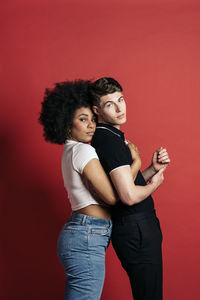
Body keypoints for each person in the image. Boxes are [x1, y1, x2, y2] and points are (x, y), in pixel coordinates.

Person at [38, 79, 141, 300]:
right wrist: (137, 163)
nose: (91, 125)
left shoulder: (70, 151)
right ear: (67, 124)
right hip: (87, 235)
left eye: (93, 119)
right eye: (83, 120)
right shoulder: (83, 152)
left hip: (82, 233)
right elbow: (114, 197)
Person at [89, 77, 170, 300]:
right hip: (136, 228)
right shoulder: (108, 140)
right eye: (109, 104)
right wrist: (154, 185)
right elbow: (128, 196)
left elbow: (126, 183)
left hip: (136, 227)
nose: (119, 108)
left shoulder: (109, 136)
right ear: (97, 110)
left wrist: (152, 170)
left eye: (121, 99)